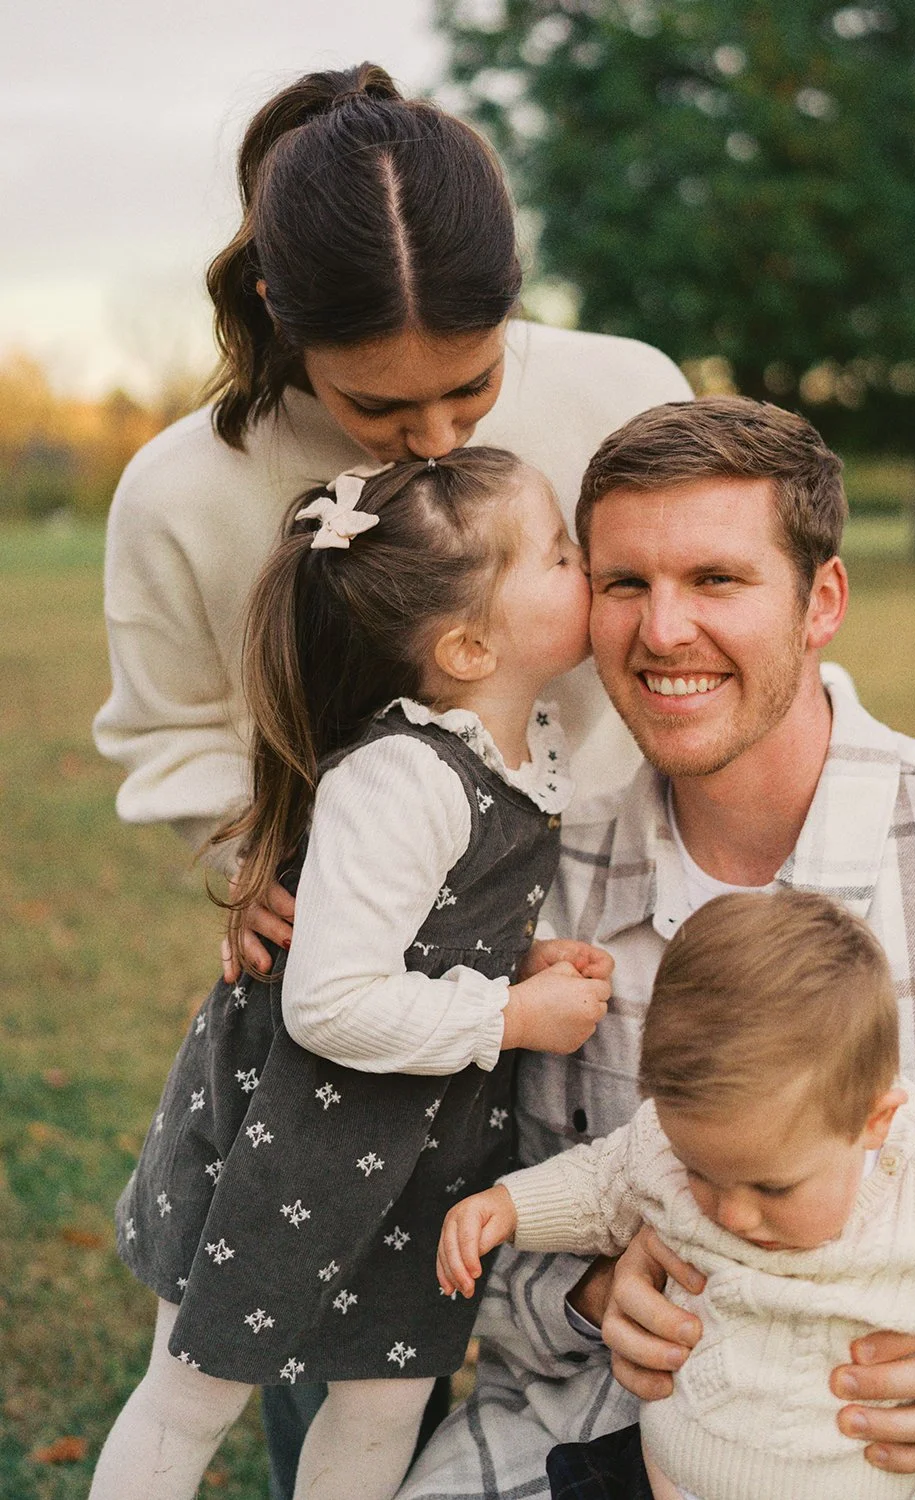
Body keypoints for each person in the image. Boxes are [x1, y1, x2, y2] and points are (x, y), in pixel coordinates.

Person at [399, 397, 915, 1500]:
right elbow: (416, 1214)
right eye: (625, 584)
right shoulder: (524, 886)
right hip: (588, 1444)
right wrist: (580, 1295)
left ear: (822, 600)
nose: (662, 631)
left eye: (717, 581)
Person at [90, 60, 692, 1494]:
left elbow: (721, 604)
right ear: (289, 334)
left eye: (472, 386)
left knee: (649, 1304)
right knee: (348, 1353)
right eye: (376, 406)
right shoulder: (182, 491)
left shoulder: (626, 392)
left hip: (614, 931)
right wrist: (248, 863)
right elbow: (164, 731)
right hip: (366, 996)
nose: (437, 440)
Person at [88, 451, 613, 1500]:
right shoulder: (403, 775)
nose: (585, 563)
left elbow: (431, 930)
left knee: (384, 1401)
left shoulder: (518, 747)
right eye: (560, 553)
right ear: (469, 645)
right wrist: (510, 1013)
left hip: (415, 1153)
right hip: (292, 1141)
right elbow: (327, 1002)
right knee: (195, 1392)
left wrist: (518, 958)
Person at [439, 889, 915, 1499]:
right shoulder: (670, 1148)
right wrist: (507, 1207)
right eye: (702, 1173)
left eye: (774, 1186)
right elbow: (603, 1182)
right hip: (661, 1475)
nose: (731, 1211)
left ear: (873, 1121)